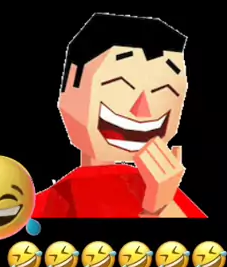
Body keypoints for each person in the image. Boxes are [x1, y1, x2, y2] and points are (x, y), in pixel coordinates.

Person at [33, 13, 207, 219]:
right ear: (73, 81)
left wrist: (161, 206)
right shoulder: (56, 200)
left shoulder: (161, 192)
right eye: (119, 86)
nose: (142, 111)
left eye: (165, 91)